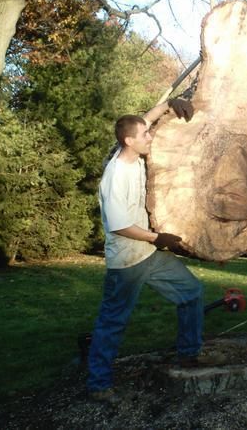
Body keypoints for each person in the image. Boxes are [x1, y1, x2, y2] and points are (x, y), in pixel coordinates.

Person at [87, 98, 204, 405]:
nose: (150, 136)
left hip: (148, 254)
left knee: (191, 292)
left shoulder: (132, 154)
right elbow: (119, 225)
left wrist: (168, 104)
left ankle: (189, 354)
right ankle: (98, 383)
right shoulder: (115, 176)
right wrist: (157, 237)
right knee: (113, 321)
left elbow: (144, 120)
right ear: (130, 141)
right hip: (127, 259)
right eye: (145, 135)